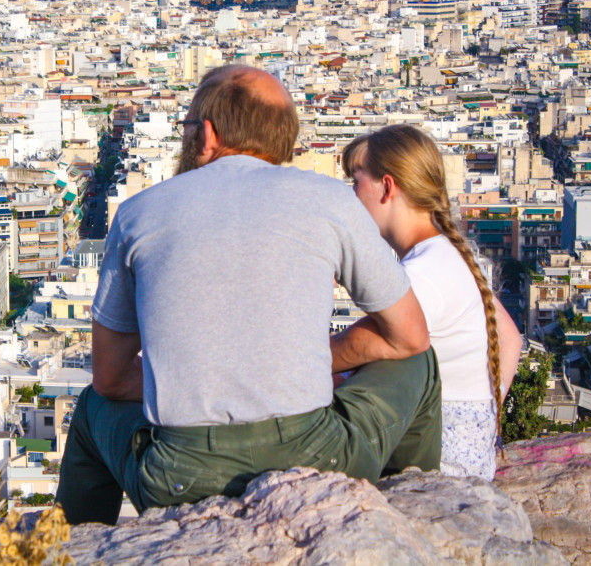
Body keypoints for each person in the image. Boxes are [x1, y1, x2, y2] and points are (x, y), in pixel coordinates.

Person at [55, 64, 442, 526]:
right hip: (316, 458)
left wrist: (185, 384)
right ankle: (403, 522)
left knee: (93, 407)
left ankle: (74, 548)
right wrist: (313, 366)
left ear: (210, 134)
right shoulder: (329, 201)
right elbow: (411, 339)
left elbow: (111, 379)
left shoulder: (138, 213)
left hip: (180, 478)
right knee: (421, 364)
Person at [341, 125, 523, 480]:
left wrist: (312, 360)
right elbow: (511, 340)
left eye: (357, 180)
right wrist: (478, 422)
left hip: (436, 462)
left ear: (387, 187)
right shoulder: (450, 253)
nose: (352, 194)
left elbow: (363, 345)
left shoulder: (425, 271)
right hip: (470, 456)